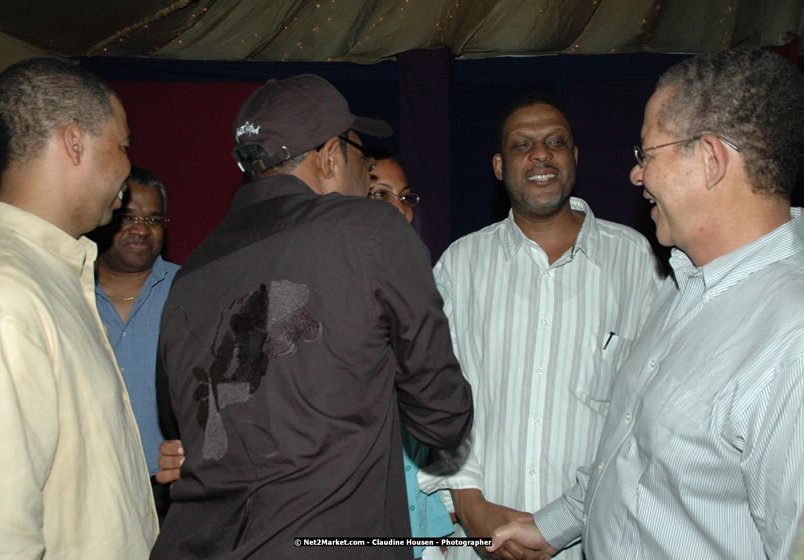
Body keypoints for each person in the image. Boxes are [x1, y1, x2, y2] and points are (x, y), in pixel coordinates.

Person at [488, 48, 804, 559]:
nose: (636, 176)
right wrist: (551, 527)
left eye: (647, 154)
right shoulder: (682, 282)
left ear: (711, 160)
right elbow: (633, 459)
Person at [151, 74, 473, 559]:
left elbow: (180, 423)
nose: (366, 175)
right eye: (361, 158)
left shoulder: (188, 275)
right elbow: (444, 419)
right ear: (328, 156)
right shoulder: (371, 233)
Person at [417, 92, 662, 559]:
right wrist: (470, 509)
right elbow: (429, 396)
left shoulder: (634, 261)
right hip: (475, 540)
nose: (540, 154)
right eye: (520, 145)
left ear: (574, 157)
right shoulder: (460, 264)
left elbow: (648, 414)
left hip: (589, 542)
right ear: (497, 166)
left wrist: (559, 525)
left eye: (555, 141)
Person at [0, 58, 157, 557]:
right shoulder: (6, 292)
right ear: (74, 142)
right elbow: (3, 529)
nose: (128, 165)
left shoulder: (52, 270)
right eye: (123, 144)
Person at [370, 152, 451, 560]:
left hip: (423, 522)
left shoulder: (424, 288)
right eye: (380, 194)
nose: (399, 210)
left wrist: (439, 528)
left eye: (404, 197)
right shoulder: (325, 292)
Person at [90, 166, 180, 524]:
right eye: (129, 217)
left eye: (154, 218)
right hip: (87, 484)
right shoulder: (68, 292)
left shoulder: (190, 288)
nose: (142, 229)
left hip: (168, 486)